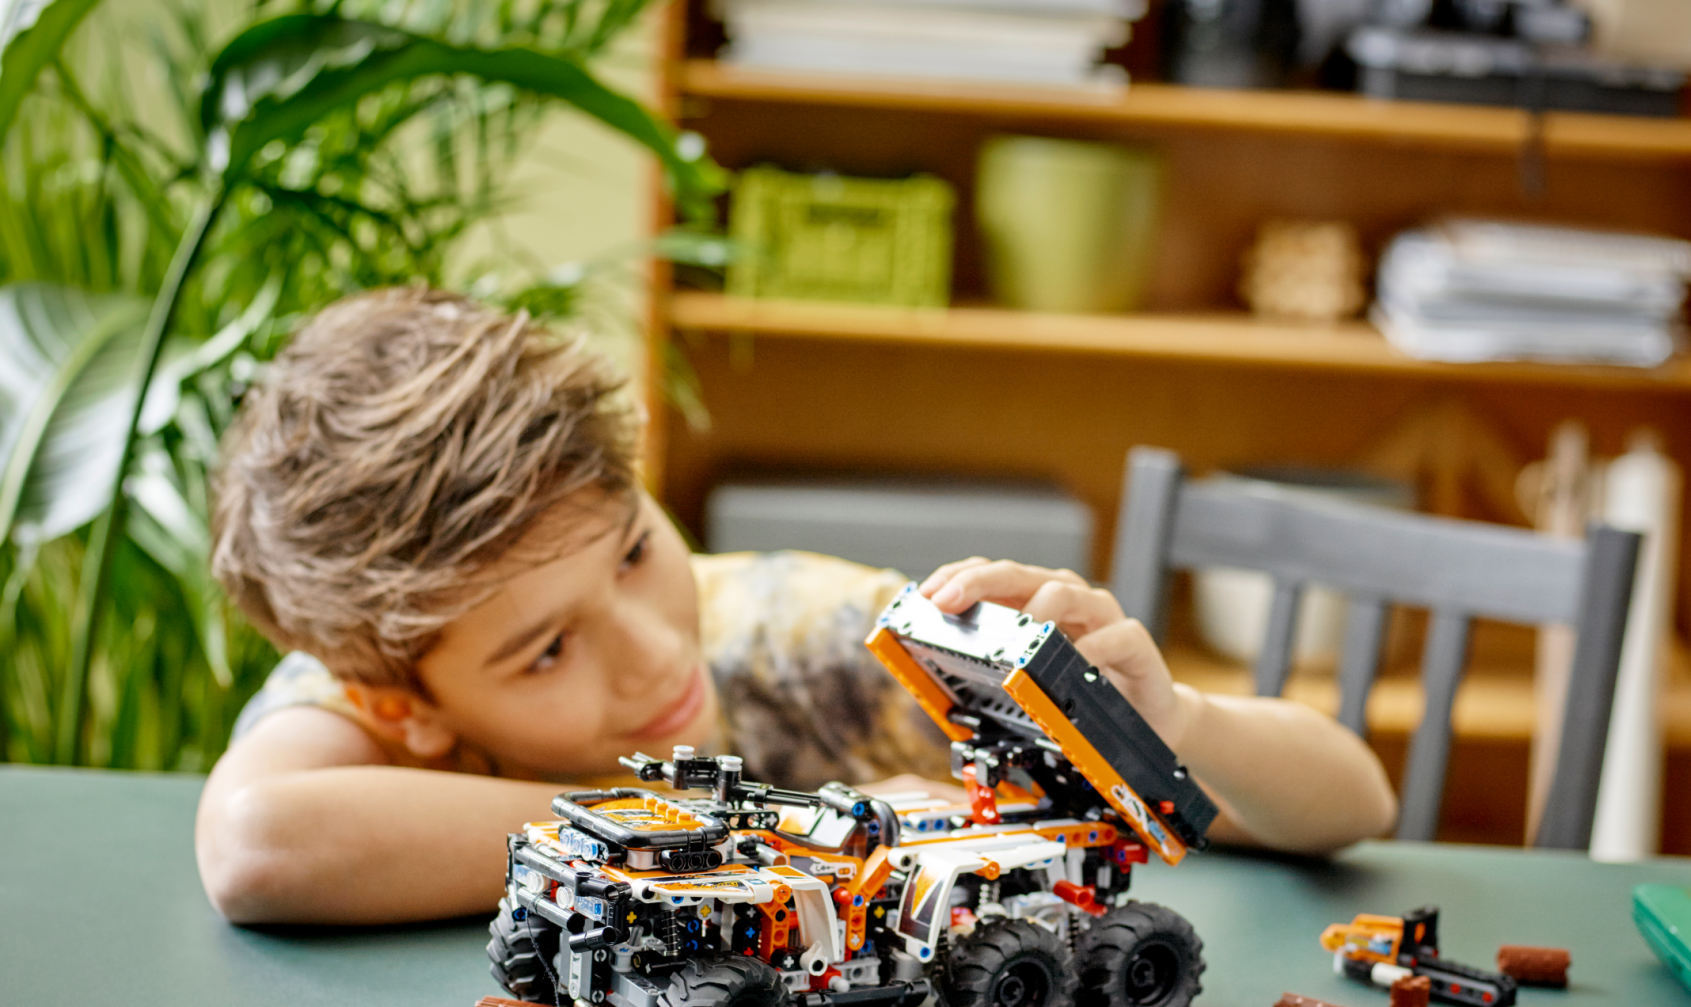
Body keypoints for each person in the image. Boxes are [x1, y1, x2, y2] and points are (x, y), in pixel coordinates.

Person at [196, 289, 1395, 925]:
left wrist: (1170, 722)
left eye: (632, 552)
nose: (654, 650)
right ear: (399, 705)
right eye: (548, 648)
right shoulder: (376, 672)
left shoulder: (797, 638)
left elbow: (1349, 797)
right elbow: (258, 844)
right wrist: (774, 827)